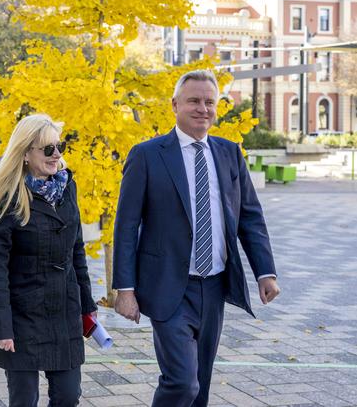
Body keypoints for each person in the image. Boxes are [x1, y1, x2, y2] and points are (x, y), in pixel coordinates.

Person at [113, 70, 280, 407]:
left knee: (200, 387)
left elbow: (249, 215)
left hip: (214, 286)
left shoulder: (229, 153)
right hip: (167, 286)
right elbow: (126, 226)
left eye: (209, 102)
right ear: (175, 104)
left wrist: (265, 272)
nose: (202, 108)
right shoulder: (147, 155)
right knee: (181, 384)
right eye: (194, 101)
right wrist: (125, 290)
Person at [0, 114, 97, 407]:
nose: (56, 154)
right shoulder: (7, 197)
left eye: (60, 146)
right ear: (25, 154)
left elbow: (77, 251)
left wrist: (87, 306)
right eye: (47, 149)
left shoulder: (67, 187)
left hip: (64, 312)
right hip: (22, 317)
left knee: (68, 396)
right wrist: (1, 325)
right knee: (23, 400)